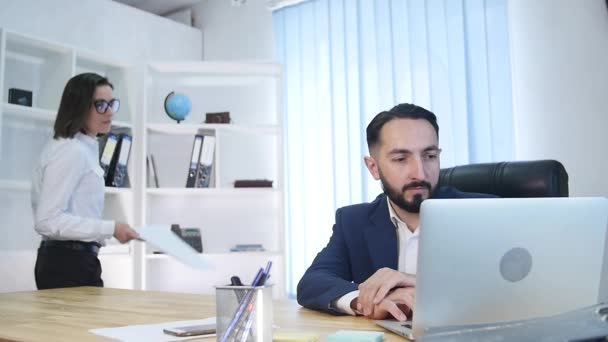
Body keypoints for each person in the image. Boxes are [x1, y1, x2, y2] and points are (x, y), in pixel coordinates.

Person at [296, 103, 495, 321]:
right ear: (373, 167)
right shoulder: (353, 221)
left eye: (429, 156)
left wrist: (415, 282)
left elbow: (509, 284)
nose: (419, 173)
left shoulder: (484, 214)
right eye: (401, 159)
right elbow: (313, 282)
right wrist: (369, 301)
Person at [32, 73, 140, 290]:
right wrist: (111, 227)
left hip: (79, 260)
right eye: (100, 104)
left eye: (111, 103)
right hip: (66, 263)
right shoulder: (71, 151)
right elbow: (47, 220)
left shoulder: (85, 148)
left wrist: (113, 229)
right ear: (79, 107)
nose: (109, 111)